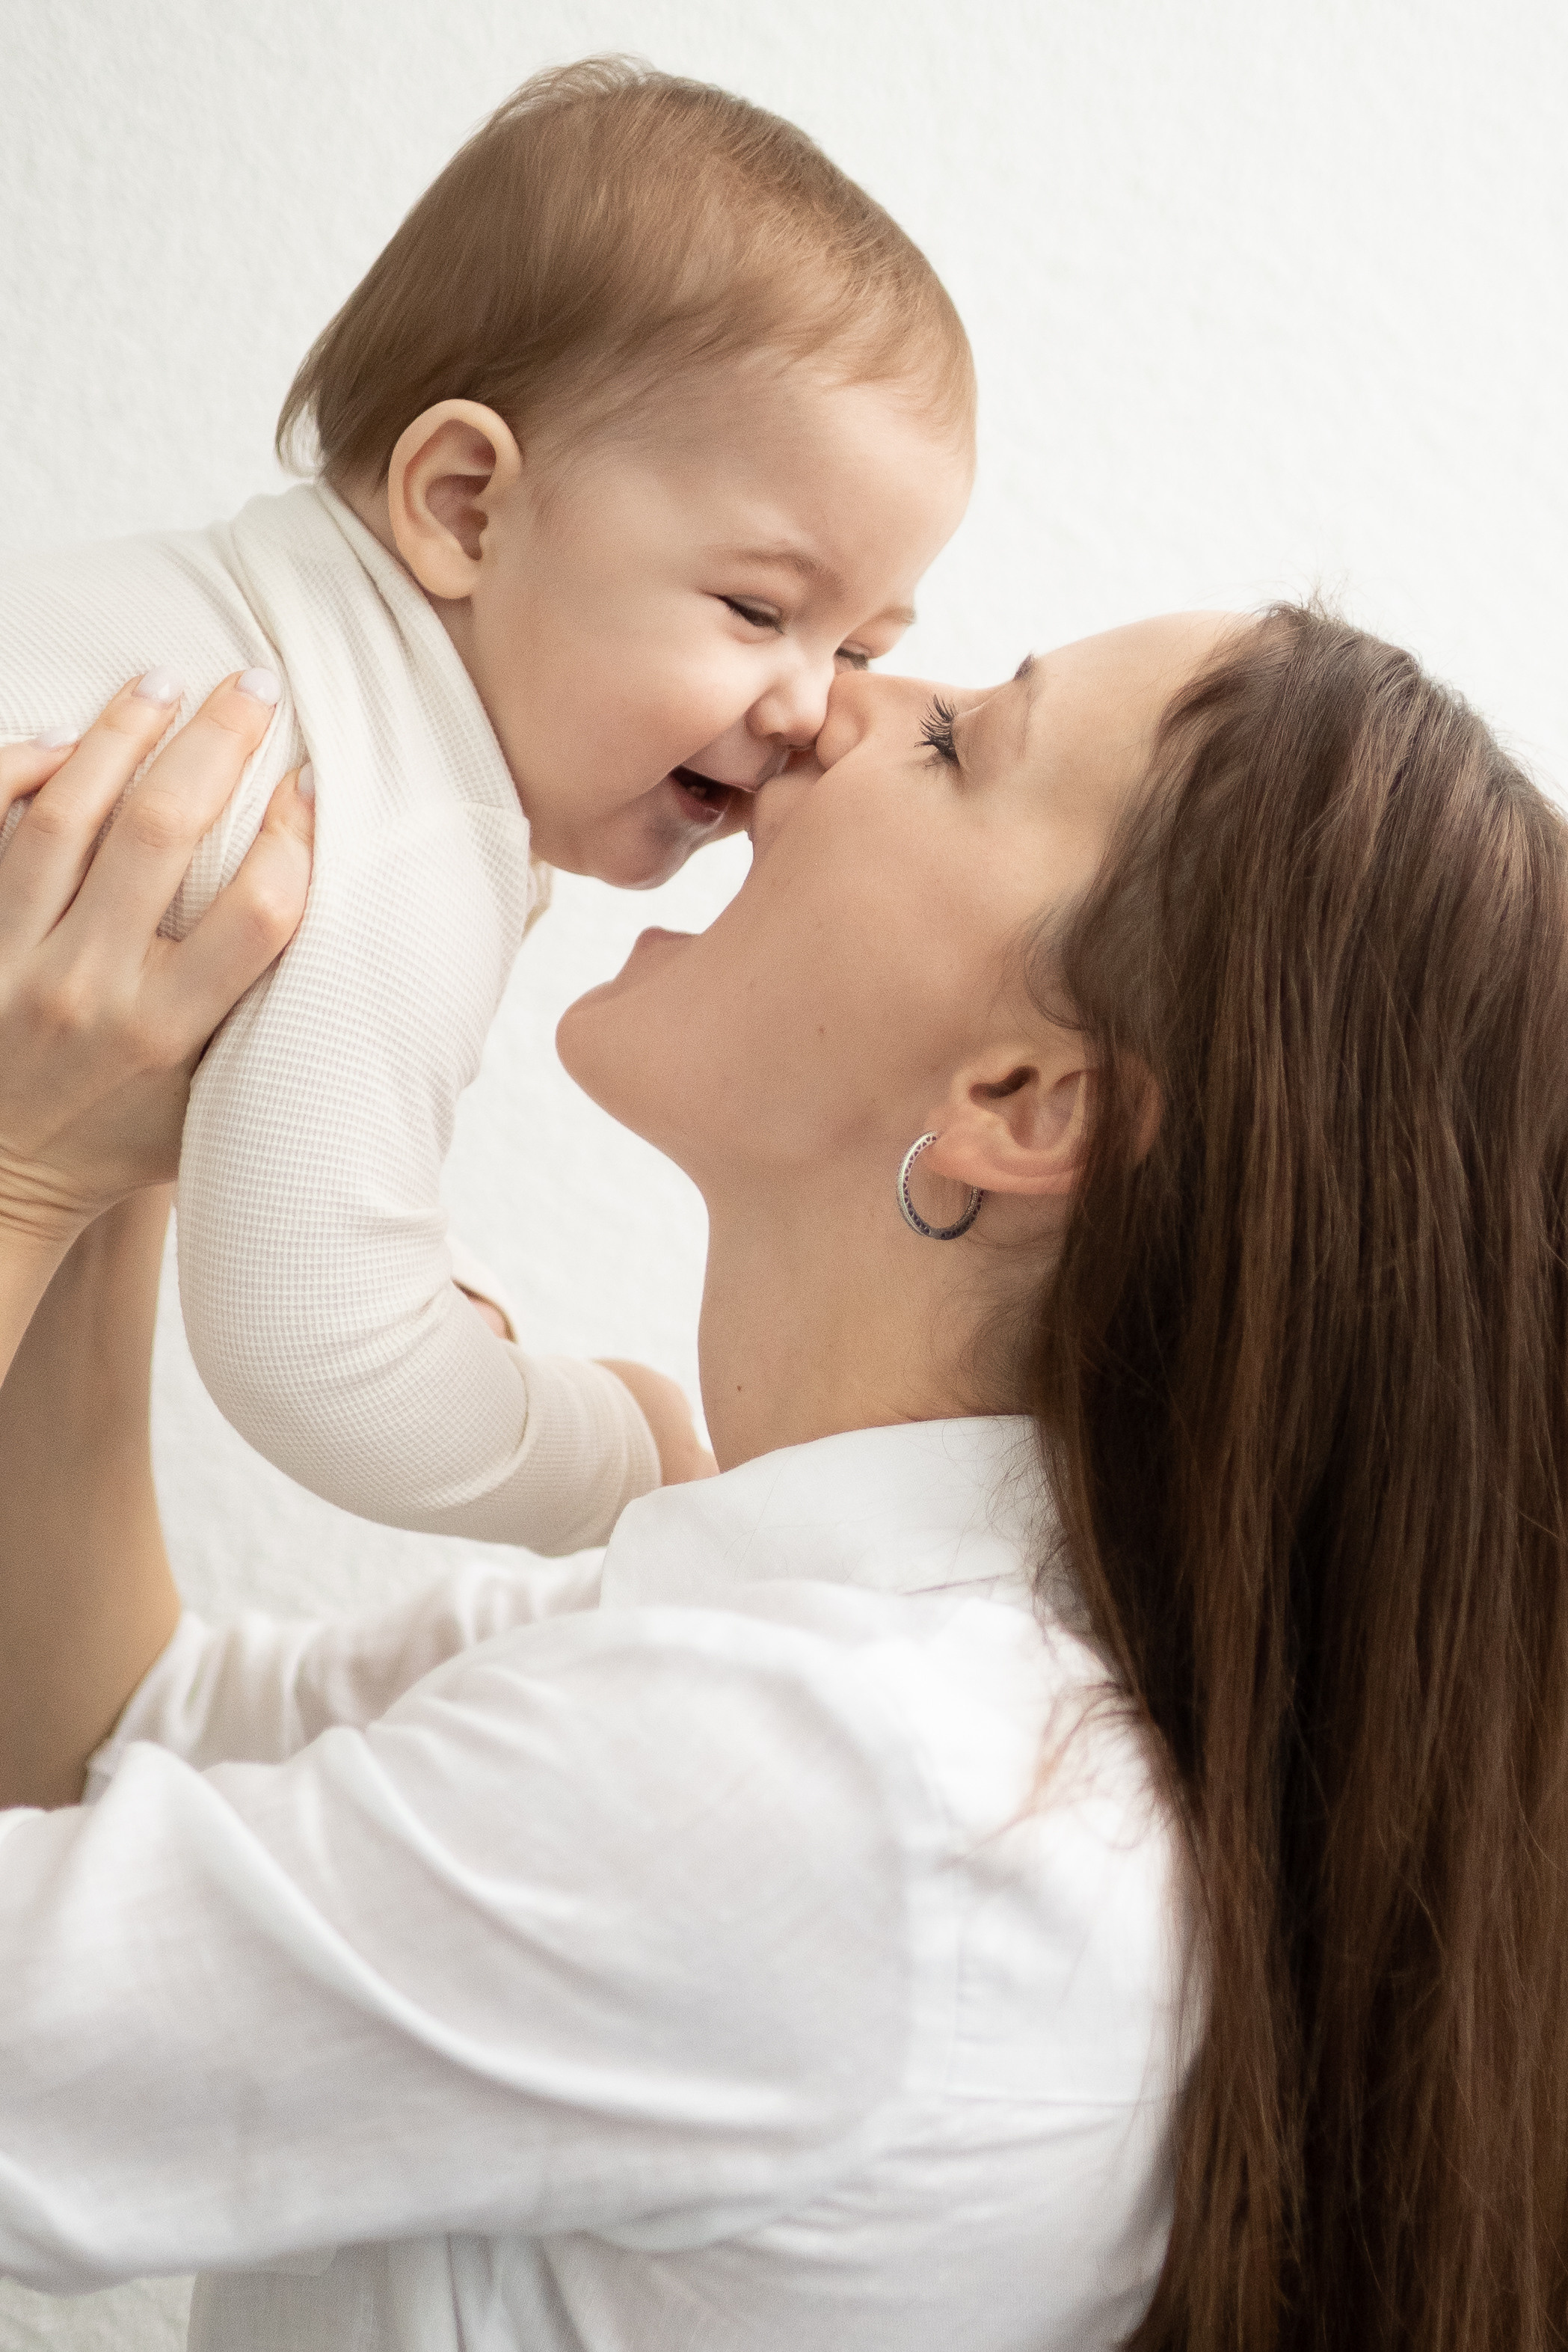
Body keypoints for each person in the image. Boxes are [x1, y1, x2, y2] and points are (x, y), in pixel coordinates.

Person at [1, 598, 1564, 2352]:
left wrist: (7, 1177)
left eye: (958, 740)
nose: (826, 707)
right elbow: (106, 1736)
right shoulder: (881, 1719)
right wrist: (120, 1107)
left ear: (1025, 1096)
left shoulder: (851, 1797)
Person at [0, 58, 971, 1553]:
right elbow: (325, 1357)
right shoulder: (393, 838)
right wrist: (624, 1449)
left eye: (859, 649)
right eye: (755, 606)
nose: (810, 706)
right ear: (464, 506)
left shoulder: (236, 639)